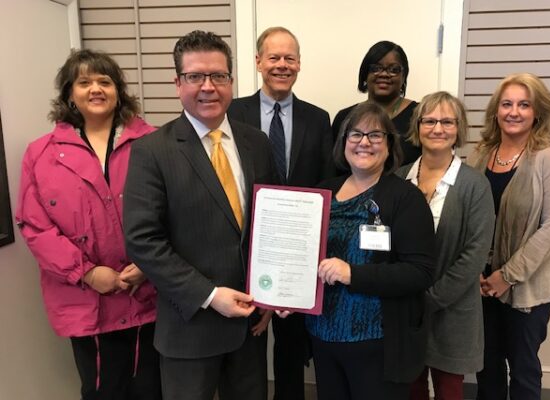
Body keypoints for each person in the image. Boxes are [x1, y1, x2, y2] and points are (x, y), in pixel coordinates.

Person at [123, 30, 278, 400]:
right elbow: (143, 241)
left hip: (250, 324)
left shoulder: (256, 142)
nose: (208, 87)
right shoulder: (152, 151)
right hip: (189, 327)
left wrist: (274, 294)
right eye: (195, 76)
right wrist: (208, 295)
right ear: (178, 83)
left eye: (218, 76)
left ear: (231, 80)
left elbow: (269, 225)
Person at [16, 49, 160, 400]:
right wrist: (87, 272)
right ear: (69, 94)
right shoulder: (41, 153)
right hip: (85, 298)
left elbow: (176, 213)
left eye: (105, 81)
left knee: (152, 389)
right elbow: (35, 226)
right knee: (102, 390)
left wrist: (148, 264)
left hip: (149, 293)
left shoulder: (154, 143)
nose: (96, 89)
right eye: (84, 82)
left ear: (119, 91)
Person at [227, 26, 336, 400]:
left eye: (289, 58)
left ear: (299, 64)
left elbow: (327, 182)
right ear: (258, 62)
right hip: (243, 246)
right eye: (273, 57)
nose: (282, 65)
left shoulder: (318, 118)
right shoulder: (232, 111)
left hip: (298, 250)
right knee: (247, 338)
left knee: (292, 342)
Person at [305, 102, 436, 400]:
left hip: (379, 344)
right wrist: (287, 293)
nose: (364, 142)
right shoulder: (321, 192)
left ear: (389, 146)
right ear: (343, 143)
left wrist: (353, 273)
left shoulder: (406, 198)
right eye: (356, 134)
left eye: (376, 135)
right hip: (323, 338)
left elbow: (420, 272)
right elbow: (304, 257)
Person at [467, 73, 550, 400]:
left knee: (523, 367)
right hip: (481, 283)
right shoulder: (480, 155)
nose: (514, 112)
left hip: (527, 287)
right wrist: (474, 272)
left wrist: (507, 276)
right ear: (495, 111)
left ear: (537, 112)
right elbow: (469, 218)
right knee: (486, 365)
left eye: (524, 105)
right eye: (507, 104)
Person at [397, 91, 495, 400]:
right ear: (418, 126)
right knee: (410, 388)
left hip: (454, 312)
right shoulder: (399, 179)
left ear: (459, 129)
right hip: (406, 312)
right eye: (429, 120)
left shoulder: (475, 185)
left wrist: (429, 300)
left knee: (449, 392)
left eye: (447, 121)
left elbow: (474, 255)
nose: (437, 129)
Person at [331, 40, 421, 165]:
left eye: (393, 69)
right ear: (365, 74)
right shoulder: (344, 117)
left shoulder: (420, 115)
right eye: (376, 68)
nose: (384, 74)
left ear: (404, 76)